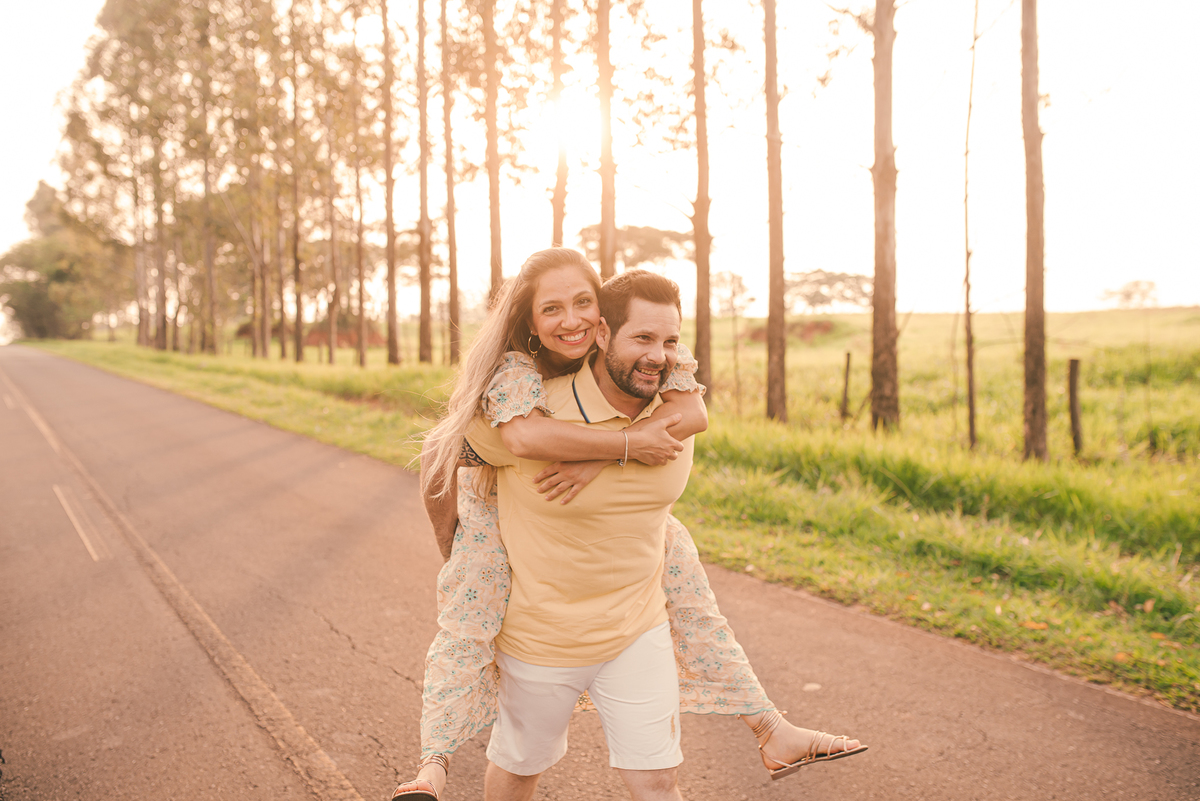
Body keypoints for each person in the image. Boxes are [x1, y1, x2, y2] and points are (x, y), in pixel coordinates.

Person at [391, 251, 865, 801]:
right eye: (641, 339)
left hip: (637, 630)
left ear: (597, 318)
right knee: (518, 767)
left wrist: (612, 451)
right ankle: (435, 763)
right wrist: (456, 546)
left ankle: (769, 727)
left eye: (667, 342)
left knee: (660, 779)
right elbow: (443, 451)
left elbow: (693, 414)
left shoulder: (669, 405)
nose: (658, 355)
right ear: (603, 334)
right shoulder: (527, 407)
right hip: (541, 638)